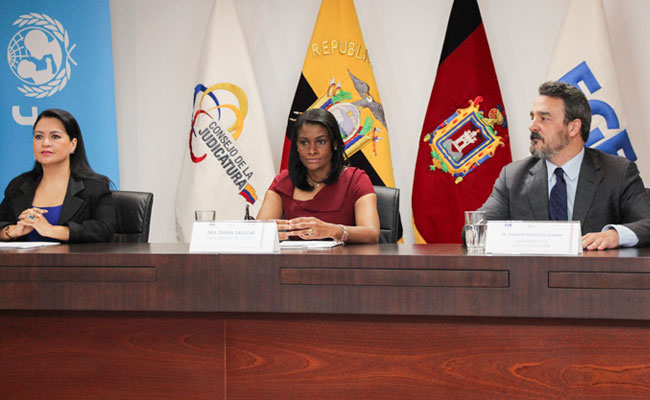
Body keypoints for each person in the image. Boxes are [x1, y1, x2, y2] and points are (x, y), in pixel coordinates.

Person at [478, 81, 650, 250]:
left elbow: (647, 223)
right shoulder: (513, 176)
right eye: (532, 118)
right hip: (534, 269)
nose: (532, 126)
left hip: (594, 269)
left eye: (544, 118)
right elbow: (476, 230)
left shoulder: (617, 172)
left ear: (573, 128)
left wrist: (615, 235)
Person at [257, 108, 380, 243]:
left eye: (321, 142)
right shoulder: (284, 181)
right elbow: (258, 233)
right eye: (304, 143)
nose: (312, 151)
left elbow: (372, 233)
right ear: (297, 146)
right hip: (295, 257)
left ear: (334, 144)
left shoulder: (355, 179)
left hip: (343, 256)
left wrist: (332, 230)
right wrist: (268, 232)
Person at [0, 109, 115, 242]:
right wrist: (13, 231)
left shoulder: (95, 187)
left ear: (73, 145)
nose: (45, 143)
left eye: (55, 136)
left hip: (73, 256)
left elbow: (104, 231)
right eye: (39, 137)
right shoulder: (19, 185)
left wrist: (51, 230)